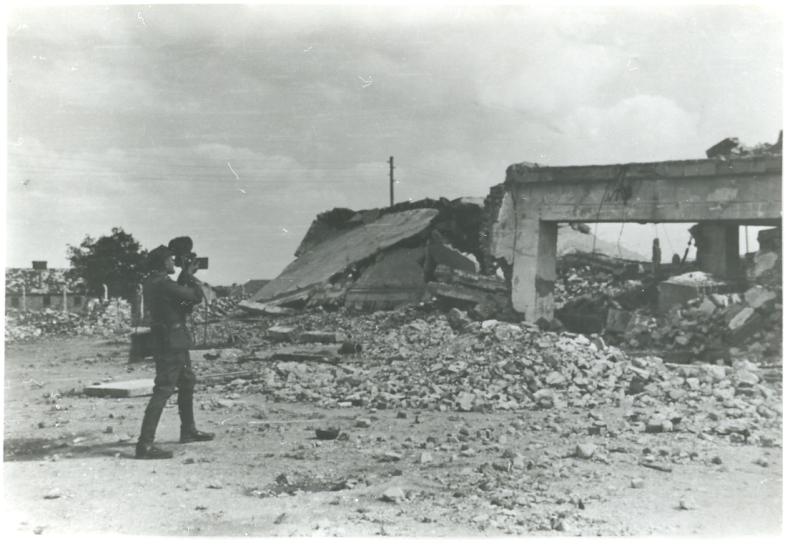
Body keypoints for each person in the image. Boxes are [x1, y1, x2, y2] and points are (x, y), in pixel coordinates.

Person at [135, 245, 215, 459]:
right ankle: (145, 445)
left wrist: (184, 275)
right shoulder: (162, 283)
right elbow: (193, 297)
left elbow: (177, 299)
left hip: (170, 339)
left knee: (187, 380)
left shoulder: (154, 282)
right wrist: (188, 275)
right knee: (163, 389)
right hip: (171, 341)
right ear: (162, 263)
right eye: (171, 260)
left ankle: (188, 430)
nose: (173, 263)